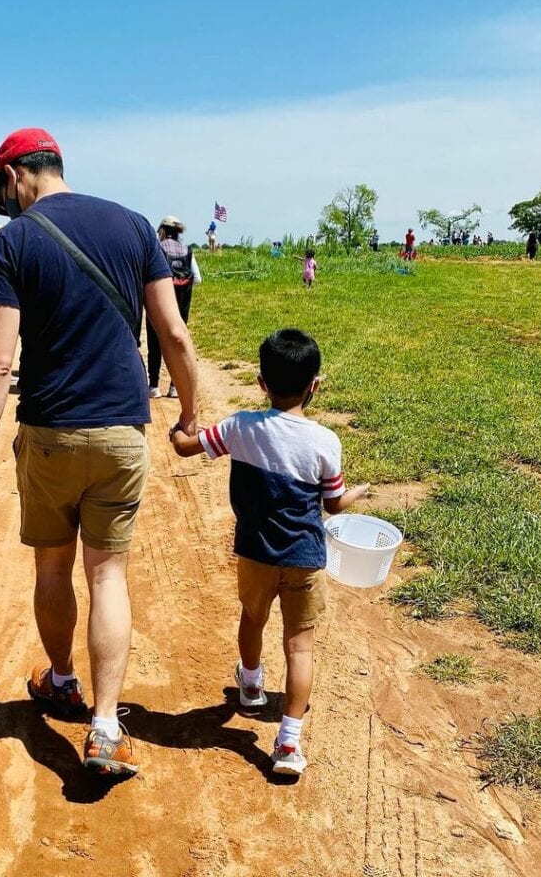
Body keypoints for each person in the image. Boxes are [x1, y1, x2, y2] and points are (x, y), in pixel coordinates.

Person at [0, 127, 198, 776]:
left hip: (53, 431)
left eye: (1, 194)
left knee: (55, 571)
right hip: (121, 428)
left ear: (13, 177)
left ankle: (61, 680)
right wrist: (191, 415)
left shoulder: (11, 242)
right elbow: (172, 331)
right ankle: (107, 725)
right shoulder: (134, 226)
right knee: (108, 575)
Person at [170, 329, 368, 776]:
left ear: (261, 382)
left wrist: (179, 427)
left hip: (255, 552)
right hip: (304, 557)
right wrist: (358, 491)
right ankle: (288, 743)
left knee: (252, 618)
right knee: (300, 647)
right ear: (314, 385)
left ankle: (252, 685)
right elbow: (333, 503)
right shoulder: (325, 442)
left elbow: (186, 448)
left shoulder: (240, 427)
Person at [147, 215, 201, 399]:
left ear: (162, 230)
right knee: (177, 343)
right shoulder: (187, 250)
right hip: (181, 307)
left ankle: (154, 386)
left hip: (158, 305)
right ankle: (174, 387)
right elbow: (198, 279)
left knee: (155, 344)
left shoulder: (157, 249)